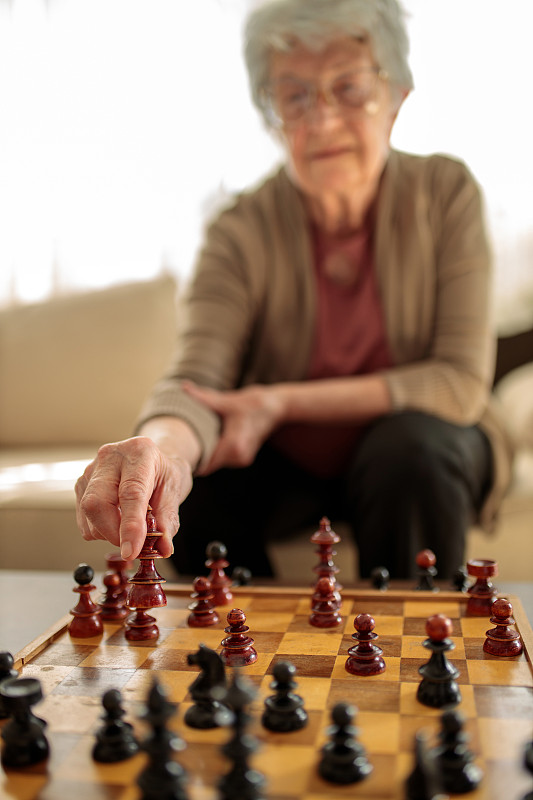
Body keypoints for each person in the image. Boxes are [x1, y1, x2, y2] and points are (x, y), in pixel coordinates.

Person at [75, 0, 514, 581]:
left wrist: (278, 400)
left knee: (411, 453)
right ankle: (239, 661)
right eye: (296, 95)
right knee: (196, 485)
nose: (323, 119)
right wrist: (162, 453)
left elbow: (456, 385)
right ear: (272, 114)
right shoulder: (240, 228)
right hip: (290, 461)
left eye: (350, 89)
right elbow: (196, 382)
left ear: (398, 97)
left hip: (423, 450)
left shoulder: (446, 192)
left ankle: (419, 658)